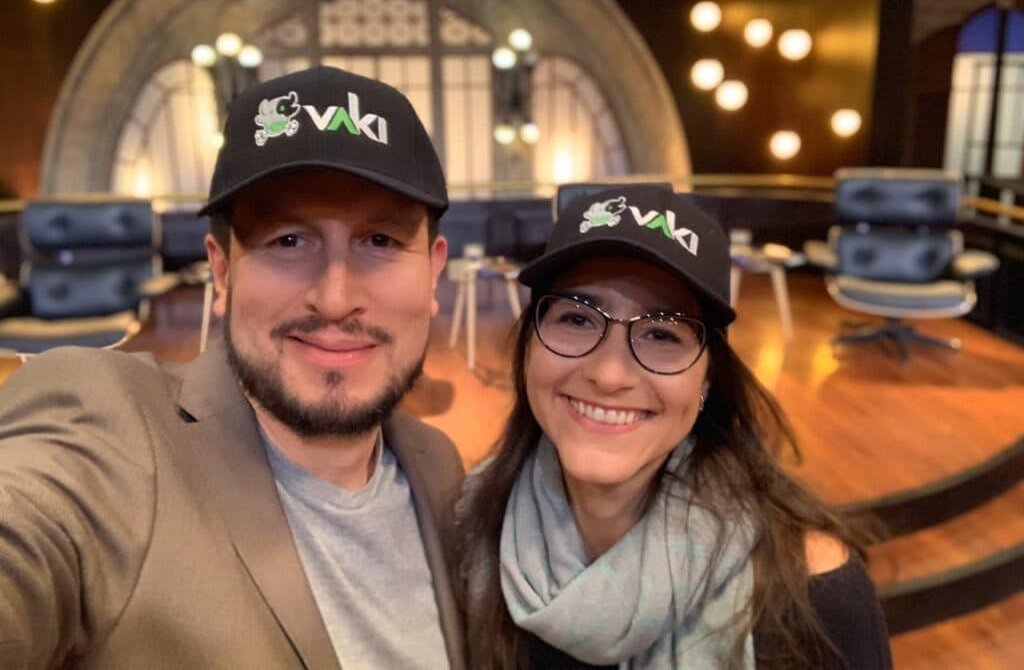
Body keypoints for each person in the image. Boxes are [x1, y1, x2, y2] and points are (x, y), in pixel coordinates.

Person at [0, 66, 466, 669]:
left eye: (378, 241)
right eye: (287, 241)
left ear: (433, 272)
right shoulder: (108, 431)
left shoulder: (440, 468)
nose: (333, 297)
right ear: (222, 274)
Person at [457, 184, 892, 669]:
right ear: (529, 349)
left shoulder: (816, 595)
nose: (609, 374)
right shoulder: (469, 534)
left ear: (707, 379)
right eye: (577, 319)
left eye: (661, 333)